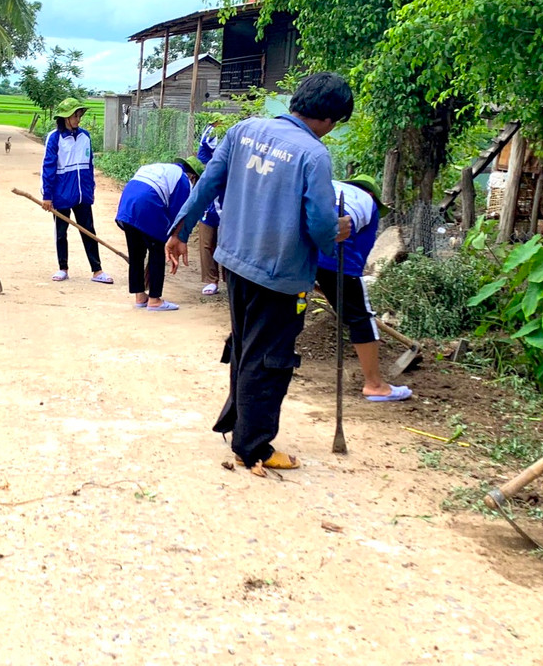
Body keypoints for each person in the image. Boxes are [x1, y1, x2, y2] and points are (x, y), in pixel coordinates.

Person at [166, 72, 354, 476]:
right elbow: (321, 225)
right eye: (336, 122)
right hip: (280, 274)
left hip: (234, 261)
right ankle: (252, 446)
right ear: (328, 118)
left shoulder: (243, 130)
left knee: (246, 346)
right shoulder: (314, 154)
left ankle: (239, 423)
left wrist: (180, 231)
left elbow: (206, 186)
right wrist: (339, 230)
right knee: (270, 358)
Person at [316, 178, 412, 401]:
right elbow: (356, 258)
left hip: (299, 246)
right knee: (361, 317)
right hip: (336, 254)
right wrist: (343, 291)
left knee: (287, 303)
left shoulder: (328, 184)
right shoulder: (368, 204)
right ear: (372, 195)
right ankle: (375, 385)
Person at [41, 98, 112, 285]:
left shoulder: (85, 137)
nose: (78, 119)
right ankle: (62, 268)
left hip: (82, 194)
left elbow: (89, 166)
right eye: (75, 115)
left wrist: (90, 189)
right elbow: (48, 168)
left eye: (80, 115)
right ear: (65, 117)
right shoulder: (55, 138)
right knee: (61, 232)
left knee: (89, 230)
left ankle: (97, 270)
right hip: (61, 194)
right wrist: (47, 196)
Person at [116, 158, 200, 311]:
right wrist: (174, 239)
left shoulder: (160, 168)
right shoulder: (183, 180)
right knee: (158, 250)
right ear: (193, 177)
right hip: (147, 204)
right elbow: (178, 214)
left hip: (127, 206)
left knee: (136, 253)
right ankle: (154, 299)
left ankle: (140, 296)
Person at [195, 119, 225, 296]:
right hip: (208, 202)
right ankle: (211, 280)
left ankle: (228, 279)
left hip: (227, 202)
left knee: (227, 243)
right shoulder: (209, 137)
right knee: (207, 243)